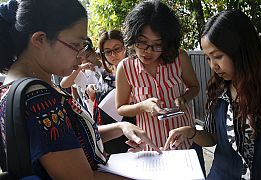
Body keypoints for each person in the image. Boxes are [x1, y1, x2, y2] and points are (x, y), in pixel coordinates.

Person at [0, 0, 160, 179]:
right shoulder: (38, 98)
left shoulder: (21, 87)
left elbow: (71, 139)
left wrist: (121, 126)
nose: (81, 55)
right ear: (40, 39)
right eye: (76, 45)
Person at [163, 10, 261, 180]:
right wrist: (190, 132)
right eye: (207, 58)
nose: (213, 66)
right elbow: (212, 137)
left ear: (241, 50)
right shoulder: (217, 89)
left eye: (218, 56)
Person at [115, 0, 205, 174]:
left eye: (157, 44)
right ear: (132, 38)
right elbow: (121, 108)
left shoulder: (180, 57)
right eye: (142, 42)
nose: (148, 51)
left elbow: (194, 87)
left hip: (185, 144)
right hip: (152, 149)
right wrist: (143, 106)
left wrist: (184, 98)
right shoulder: (125, 67)